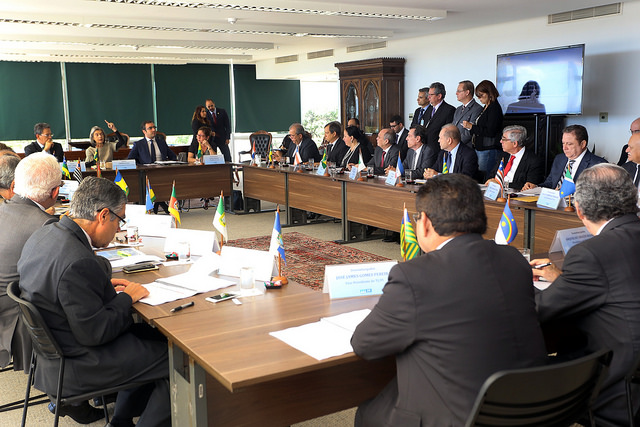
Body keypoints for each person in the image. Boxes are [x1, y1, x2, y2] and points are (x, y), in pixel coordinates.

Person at [352, 173, 547, 427]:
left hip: (460, 417)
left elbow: (364, 344)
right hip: (531, 408)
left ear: (425, 224)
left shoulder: (414, 276)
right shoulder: (513, 259)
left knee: (368, 413)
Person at [18, 177, 170, 427]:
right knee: (176, 358)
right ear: (103, 215)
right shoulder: (78, 260)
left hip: (51, 354)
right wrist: (126, 298)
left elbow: (63, 286)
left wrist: (97, 285)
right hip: (77, 361)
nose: (119, 229)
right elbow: (96, 333)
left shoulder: (45, 233)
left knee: (150, 335)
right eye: (120, 221)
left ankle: (120, 421)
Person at [531, 164, 640, 426]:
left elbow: (539, 312)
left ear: (579, 210)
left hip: (617, 388)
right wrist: (565, 280)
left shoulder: (591, 253)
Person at [1, 153, 59, 380]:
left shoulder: (3, 208)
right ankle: (69, 392)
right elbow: (59, 276)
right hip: (17, 318)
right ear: (55, 192)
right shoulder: (44, 223)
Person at [522, 124, 606, 190]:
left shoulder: (598, 164)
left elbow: (596, 193)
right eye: (563, 143)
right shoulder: (560, 159)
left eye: (569, 144)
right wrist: (535, 187)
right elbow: (550, 183)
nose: (564, 148)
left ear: (583, 144)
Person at [129, 121, 176, 214]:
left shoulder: (161, 142)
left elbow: (173, 156)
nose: (153, 130)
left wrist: (168, 163)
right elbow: (130, 159)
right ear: (144, 131)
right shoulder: (138, 144)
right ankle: (159, 202)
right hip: (146, 173)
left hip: (162, 172)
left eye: (154, 127)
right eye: (150, 128)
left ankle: (160, 202)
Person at [462, 80, 504, 181]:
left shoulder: (494, 108)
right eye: (478, 96)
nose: (479, 98)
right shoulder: (486, 107)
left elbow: (490, 131)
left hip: (488, 150)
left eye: (481, 95)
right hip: (481, 148)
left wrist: (472, 127)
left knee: (485, 178)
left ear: (489, 93)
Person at [485, 125, 544, 191]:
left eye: (504, 139)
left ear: (515, 144)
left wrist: (501, 184)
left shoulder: (533, 160)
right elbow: (493, 176)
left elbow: (528, 185)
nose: (501, 141)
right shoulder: (503, 155)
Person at [421, 82, 456, 170]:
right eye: (428, 94)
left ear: (439, 96)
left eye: (431, 95)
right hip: (426, 149)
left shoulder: (449, 110)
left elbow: (448, 131)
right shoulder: (429, 109)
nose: (428, 97)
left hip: (438, 149)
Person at [452, 80, 483, 148]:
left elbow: (470, 131)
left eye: (459, 91)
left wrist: (456, 143)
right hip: (455, 146)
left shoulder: (477, 108)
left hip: (466, 147)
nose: (456, 93)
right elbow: (453, 126)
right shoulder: (458, 109)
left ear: (467, 92)